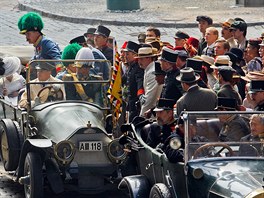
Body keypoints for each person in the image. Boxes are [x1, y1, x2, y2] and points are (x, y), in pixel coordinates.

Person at [136, 46, 162, 117]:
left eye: (141, 59)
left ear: (149, 58)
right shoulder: (148, 69)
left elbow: (149, 97)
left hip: (152, 112)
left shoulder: (152, 72)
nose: (139, 62)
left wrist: (141, 116)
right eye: (138, 59)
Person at [123, 41, 144, 122]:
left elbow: (139, 82)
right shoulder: (130, 67)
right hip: (130, 102)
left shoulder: (138, 69)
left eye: (127, 54)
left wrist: (140, 93)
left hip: (135, 102)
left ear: (135, 55)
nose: (125, 56)